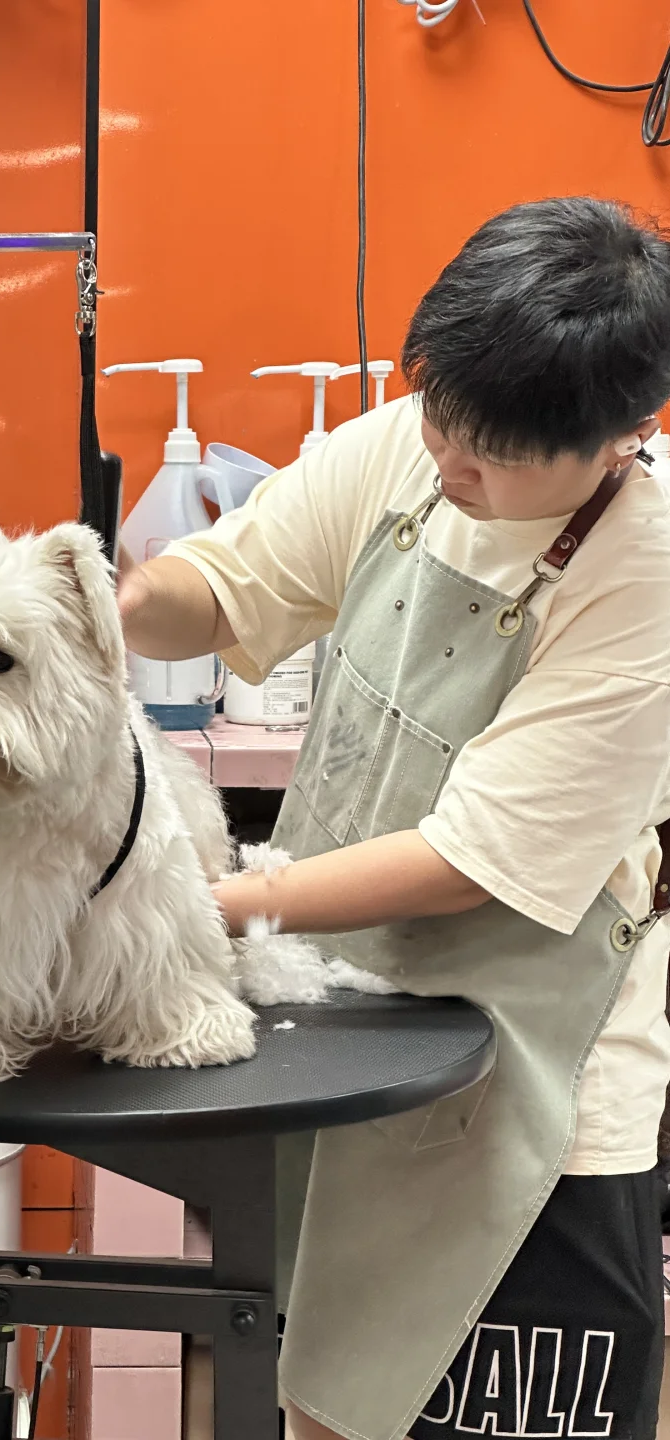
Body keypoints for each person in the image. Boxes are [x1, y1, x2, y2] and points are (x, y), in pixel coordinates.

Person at [117, 197, 670, 1440]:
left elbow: (469, 860)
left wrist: (206, 903)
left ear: (621, 441)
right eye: (440, 418)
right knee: (322, 1397)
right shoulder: (413, 452)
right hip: (351, 1034)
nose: (451, 465)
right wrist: (106, 606)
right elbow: (230, 587)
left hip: (531, 1099)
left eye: (495, 454)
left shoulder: (647, 581)